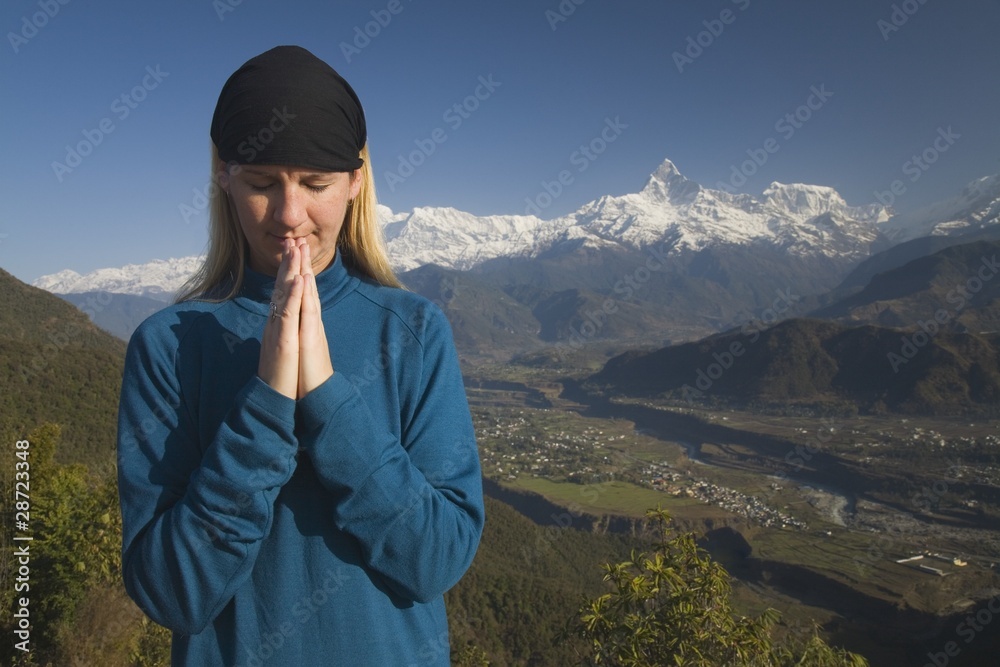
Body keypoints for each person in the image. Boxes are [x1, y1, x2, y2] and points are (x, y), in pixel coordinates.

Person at [116, 45, 484, 666]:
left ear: (356, 181)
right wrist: (265, 403)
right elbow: (172, 594)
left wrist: (327, 396)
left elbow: (436, 560)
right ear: (224, 176)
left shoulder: (414, 333)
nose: (290, 215)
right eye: (262, 183)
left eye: (316, 184)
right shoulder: (169, 345)